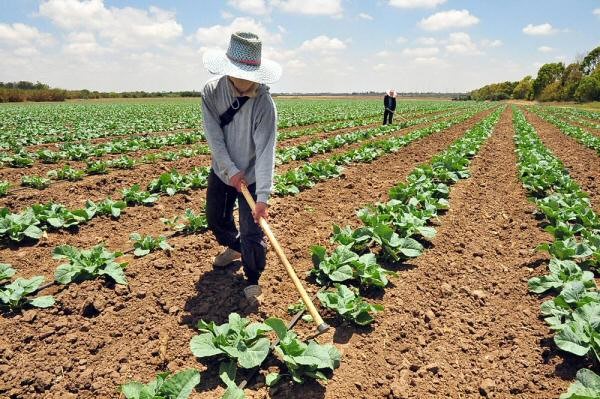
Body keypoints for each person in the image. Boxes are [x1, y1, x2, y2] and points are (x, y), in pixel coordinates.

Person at [201, 31, 282, 306]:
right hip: (224, 171)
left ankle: (252, 278)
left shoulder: (264, 104)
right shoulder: (211, 92)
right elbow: (215, 138)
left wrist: (262, 199)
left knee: (252, 230)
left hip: (253, 175)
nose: (247, 82)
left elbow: (265, 152)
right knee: (216, 220)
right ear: (228, 71)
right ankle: (238, 250)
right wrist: (230, 171)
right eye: (240, 74)